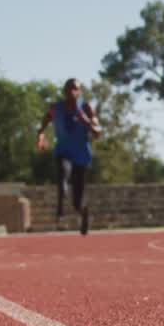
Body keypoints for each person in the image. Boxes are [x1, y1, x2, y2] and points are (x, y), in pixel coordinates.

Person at [36, 78, 102, 234]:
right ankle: (60, 207)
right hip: (63, 152)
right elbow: (43, 125)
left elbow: (97, 132)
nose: (72, 91)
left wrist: (85, 120)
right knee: (62, 175)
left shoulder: (86, 108)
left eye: (76, 89)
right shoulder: (55, 108)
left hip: (81, 156)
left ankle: (83, 212)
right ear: (64, 92)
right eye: (69, 88)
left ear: (79, 92)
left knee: (77, 202)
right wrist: (41, 137)